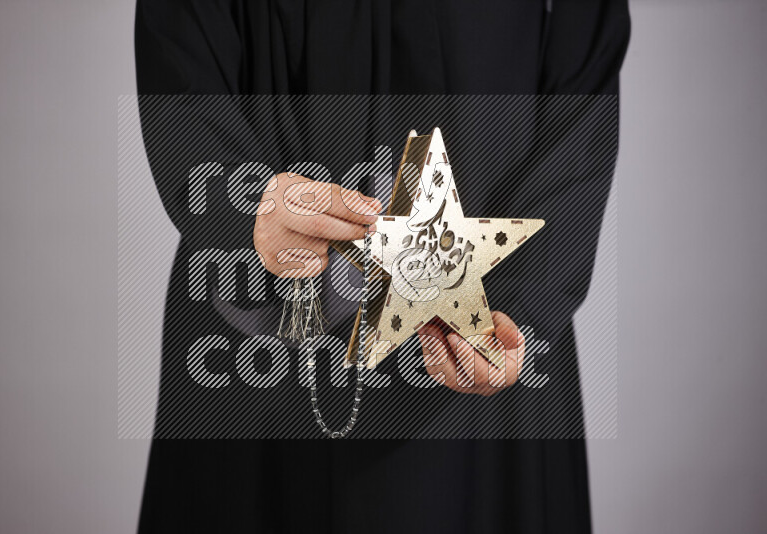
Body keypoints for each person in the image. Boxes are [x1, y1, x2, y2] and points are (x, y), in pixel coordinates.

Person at [135, 0, 630, 532]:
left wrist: (525, 298)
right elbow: (178, 48)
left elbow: (584, 78)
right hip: (257, 304)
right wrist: (242, 199)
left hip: (478, 320)